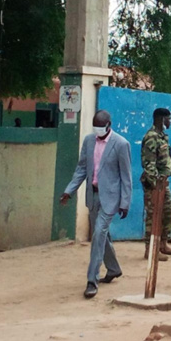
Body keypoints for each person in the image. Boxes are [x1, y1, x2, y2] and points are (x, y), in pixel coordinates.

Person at [60, 110, 132, 299]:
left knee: (98, 234)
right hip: (93, 196)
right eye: (95, 127)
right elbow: (81, 169)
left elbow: (126, 177)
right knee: (102, 235)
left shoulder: (121, 144)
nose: (97, 130)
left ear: (109, 125)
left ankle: (92, 281)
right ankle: (114, 268)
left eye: (100, 127)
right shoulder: (89, 141)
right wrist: (69, 191)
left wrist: (125, 202)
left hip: (111, 198)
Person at [141, 108, 171, 261]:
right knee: (153, 217)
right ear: (161, 119)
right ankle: (150, 250)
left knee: (168, 214)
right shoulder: (151, 137)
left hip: (163, 184)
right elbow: (148, 164)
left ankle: (162, 244)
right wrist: (156, 184)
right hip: (154, 185)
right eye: (168, 119)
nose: (170, 122)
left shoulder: (162, 137)